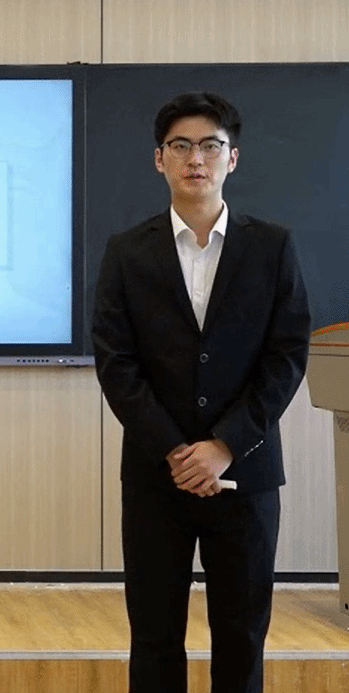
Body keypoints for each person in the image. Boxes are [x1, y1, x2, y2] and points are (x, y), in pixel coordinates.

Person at [92, 92, 310, 693]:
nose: (196, 159)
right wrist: (175, 450)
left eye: (211, 146)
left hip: (246, 474)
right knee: (154, 636)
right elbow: (117, 363)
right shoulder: (126, 252)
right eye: (181, 146)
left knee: (242, 636)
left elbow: (286, 356)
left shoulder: (272, 247)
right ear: (158, 159)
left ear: (232, 158)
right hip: (156, 476)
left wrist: (225, 445)